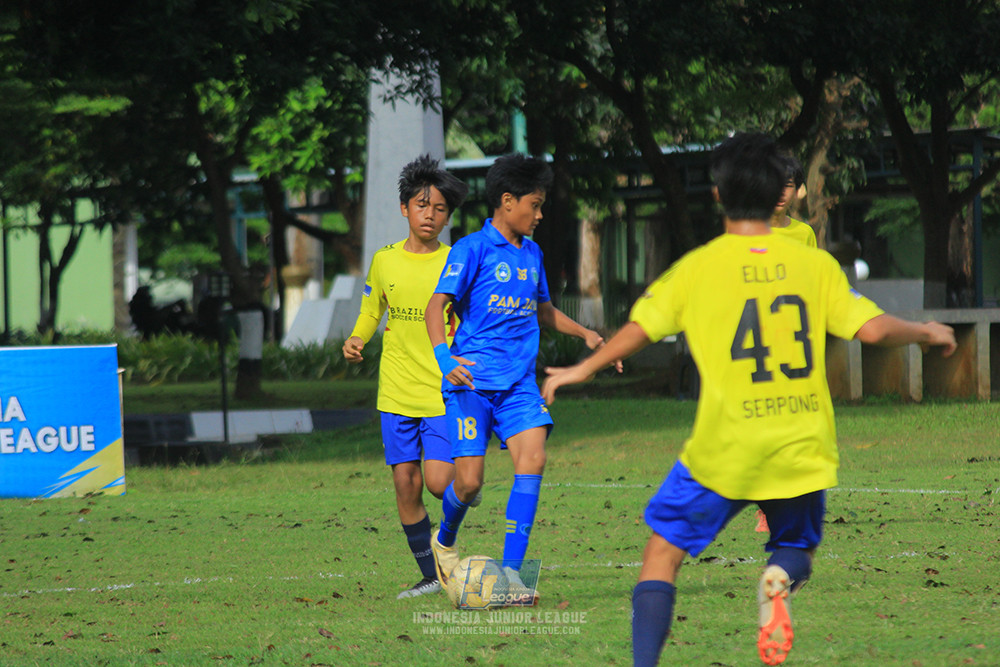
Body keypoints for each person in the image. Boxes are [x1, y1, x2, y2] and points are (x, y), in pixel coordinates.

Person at [540, 133, 956, 665]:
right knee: (795, 549)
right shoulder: (815, 265)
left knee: (660, 556)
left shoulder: (698, 267)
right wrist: (924, 331)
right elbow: (872, 330)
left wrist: (582, 367)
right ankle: (778, 578)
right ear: (779, 194)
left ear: (717, 195)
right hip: (800, 443)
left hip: (727, 447)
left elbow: (640, 328)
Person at [425, 153, 615, 604]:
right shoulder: (472, 249)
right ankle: (444, 541)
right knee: (469, 483)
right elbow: (437, 307)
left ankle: (512, 578)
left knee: (533, 459)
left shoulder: (533, 253)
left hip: (518, 386)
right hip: (471, 384)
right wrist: (444, 357)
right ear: (507, 202)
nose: (541, 214)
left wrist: (587, 333)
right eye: (535, 204)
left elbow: (543, 310)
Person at [342, 154, 470, 600]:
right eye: (421, 205)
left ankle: (455, 524)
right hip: (395, 390)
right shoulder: (384, 261)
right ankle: (431, 574)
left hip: (442, 389)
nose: (430, 215)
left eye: (439, 209)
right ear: (404, 209)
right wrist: (356, 339)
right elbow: (370, 311)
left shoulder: (458, 262)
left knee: (439, 483)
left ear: (448, 216)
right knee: (405, 483)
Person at [769, 154, 817, 248]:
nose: (781, 192)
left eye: (787, 186)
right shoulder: (744, 232)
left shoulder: (805, 233)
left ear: (796, 191)